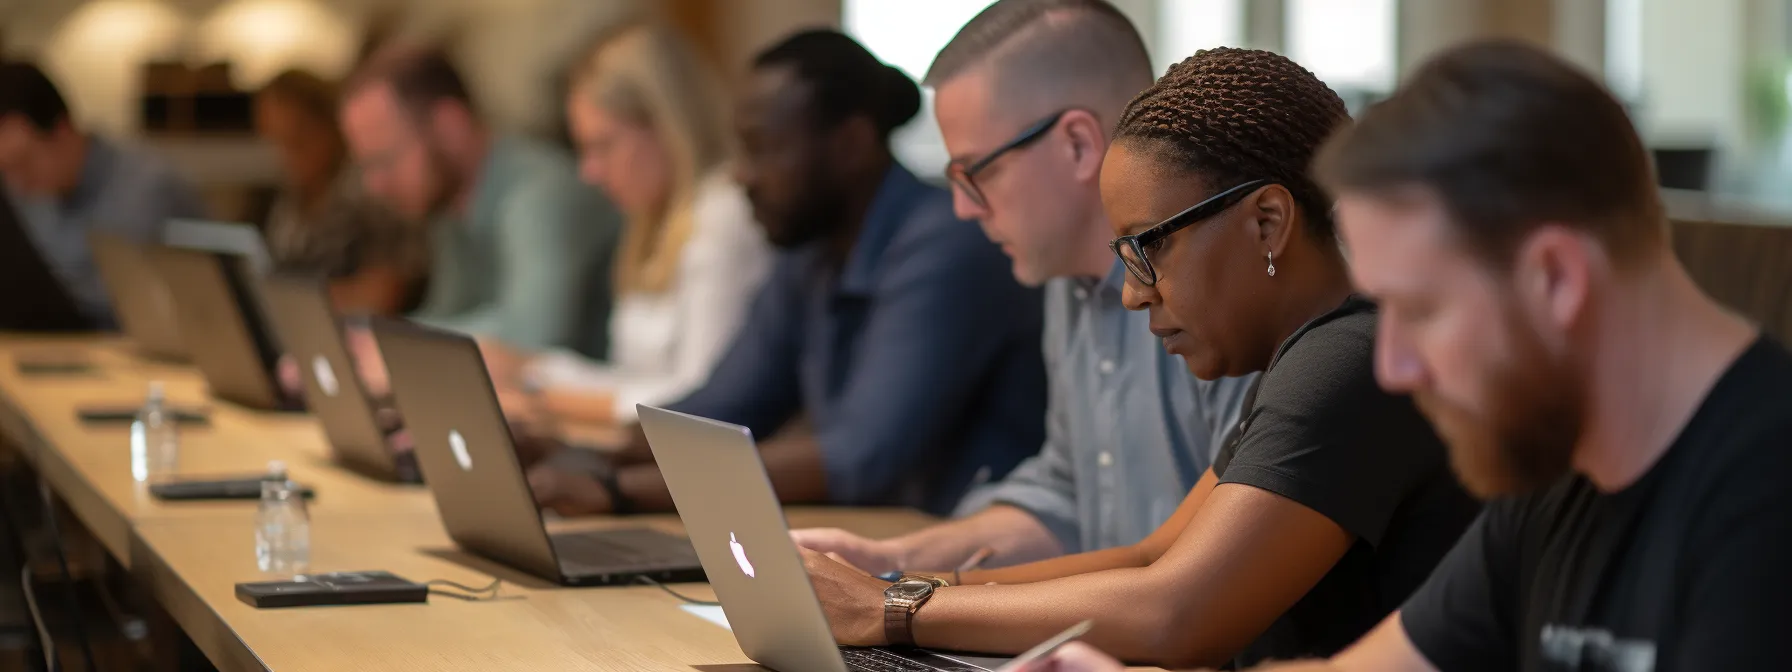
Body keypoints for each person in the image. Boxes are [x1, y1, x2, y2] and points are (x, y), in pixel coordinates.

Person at [1019, 41, 1792, 672]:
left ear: (1556, 278)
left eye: (1419, 312)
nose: (1393, 368)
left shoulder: (1763, 492)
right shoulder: (1554, 473)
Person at [799, 47, 1481, 669]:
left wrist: (889, 612)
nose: (1130, 295)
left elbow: (1176, 612)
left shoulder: (1347, 363)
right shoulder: (1307, 354)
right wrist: (898, 591)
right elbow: (1153, 554)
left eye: (1145, 248)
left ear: (1268, 222)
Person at [791, 0, 1252, 575]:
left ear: (1078, 145)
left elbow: (1216, 571)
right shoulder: (1064, 280)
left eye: (976, 173)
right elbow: (1066, 498)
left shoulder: (1225, 289)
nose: (961, 208)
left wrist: (911, 602)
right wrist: (890, 560)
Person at [523, 29, 1047, 518]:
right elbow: (721, 410)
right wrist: (585, 456)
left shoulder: (945, 243)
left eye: (762, 149)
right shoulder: (811, 253)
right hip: (884, 545)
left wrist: (619, 490)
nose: (742, 175)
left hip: (973, 565)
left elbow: (859, 456)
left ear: (851, 145)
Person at [478, 22, 773, 427]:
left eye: (602, 145)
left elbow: (700, 403)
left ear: (666, 125)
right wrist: (532, 369)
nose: (589, 172)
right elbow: (631, 380)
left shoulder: (723, 215)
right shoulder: (652, 220)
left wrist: (543, 397)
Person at [339, 46, 621, 355]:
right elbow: (448, 314)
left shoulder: (538, 196)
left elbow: (531, 336)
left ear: (450, 126)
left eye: (386, 160)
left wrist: (386, 345)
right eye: (366, 166)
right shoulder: (448, 203)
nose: (375, 185)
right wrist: (364, 343)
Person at [0, 61, 205, 326]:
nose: (18, 184)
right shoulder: (32, 198)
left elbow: (140, 313)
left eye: (23, 162)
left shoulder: (147, 191)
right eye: (6, 171)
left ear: (62, 131)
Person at [255, 69, 428, 315]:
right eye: (277, 142)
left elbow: (383, 294)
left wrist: (288, 304)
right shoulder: (288, 200)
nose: (286, 158)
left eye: (297, 140)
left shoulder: (369, 190)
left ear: (329, 127)